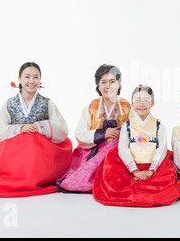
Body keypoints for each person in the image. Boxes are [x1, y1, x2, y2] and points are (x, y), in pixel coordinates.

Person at [0, 62, 72, 198]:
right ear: (19, 79)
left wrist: (41, 127)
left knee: (33, 144)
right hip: (15, 152)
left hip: (39, 154)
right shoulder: (10, 104)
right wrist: (19, 129)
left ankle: (35, 177)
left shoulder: (47, 103)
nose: (31, 81)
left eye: (36, 77)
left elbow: (62, 128)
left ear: (40, 80)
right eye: (27, 77)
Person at [92, 85, 180, 207]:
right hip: (131, 166)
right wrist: (135, 170)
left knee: (167, 179)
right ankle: (137, 185)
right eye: (137, 100)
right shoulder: (127, 125)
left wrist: (151, 170)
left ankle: (145, 186)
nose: (141, 104)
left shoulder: (159, 125)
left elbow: (162, 149)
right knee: (112, 170)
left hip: (153, 165)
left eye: (146, 100)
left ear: (152, 103)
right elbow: (123, 149)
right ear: (132, 104)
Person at [56, 64, 131, 193]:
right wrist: (104, 134)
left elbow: (135, 130)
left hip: (119, 149)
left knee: (115, 143)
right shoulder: (91, 107)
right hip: (94, 150)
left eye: (112, 82)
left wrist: (116, 135)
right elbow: (80, 134)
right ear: (98, 86)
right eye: (103, 82)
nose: (108, 86)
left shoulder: (128, 107)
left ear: (119, 85)